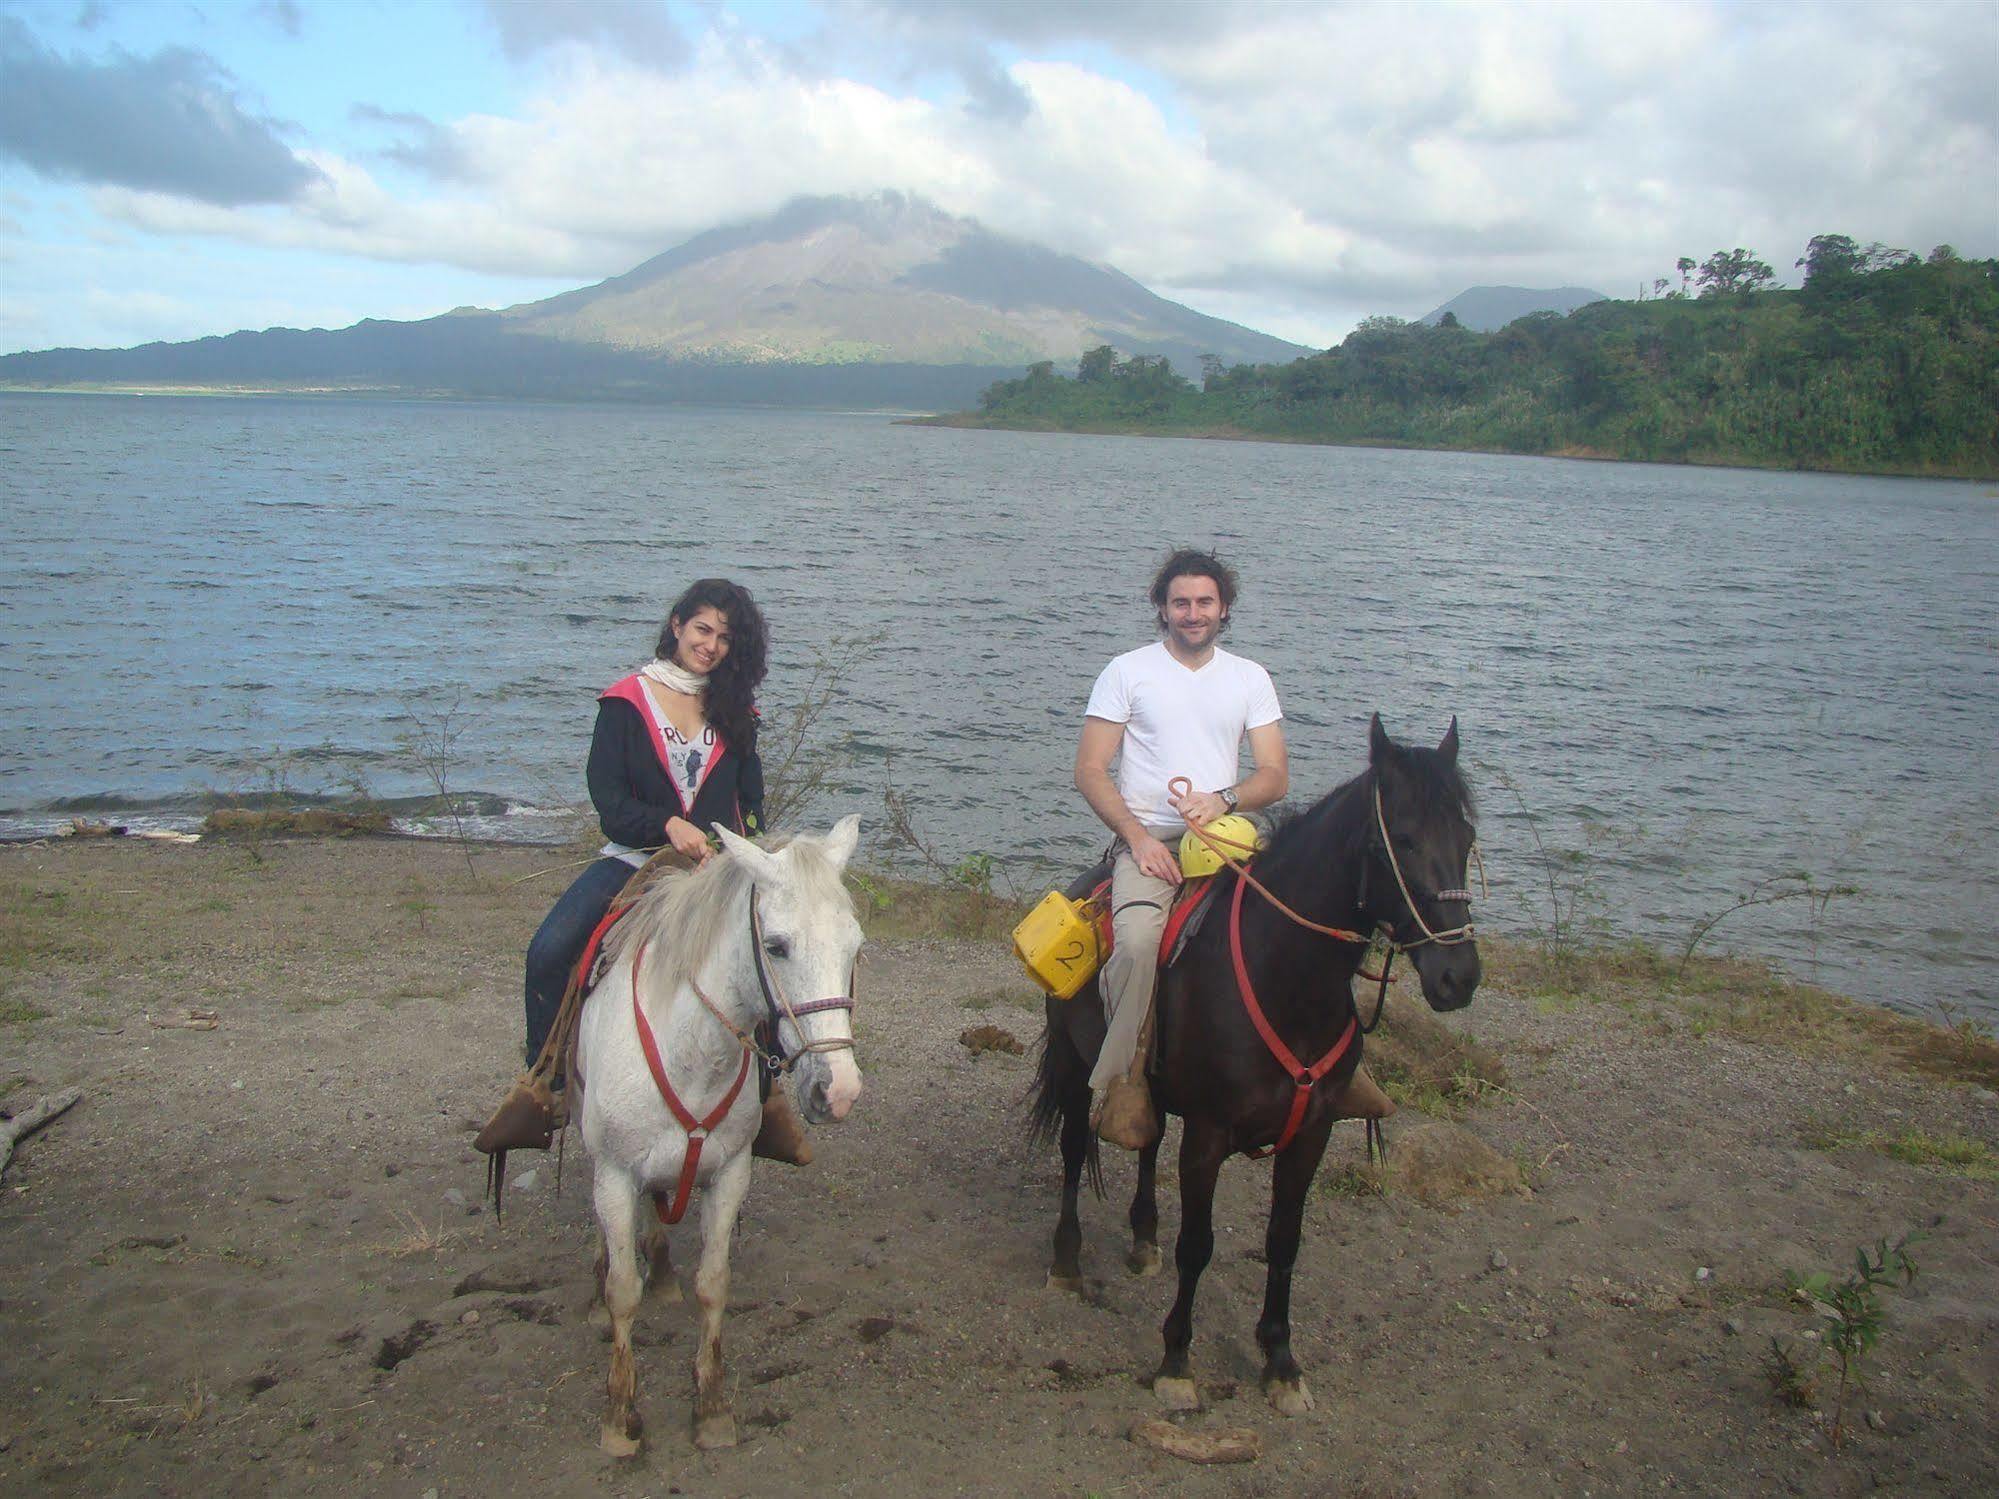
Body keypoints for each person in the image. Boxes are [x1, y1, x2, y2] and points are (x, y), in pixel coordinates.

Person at [522, 577, 808, 1163]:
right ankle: (544, 1084)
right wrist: (666, 826)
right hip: (637, 860)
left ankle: (766, 1096)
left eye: (725, 638)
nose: (711, 646)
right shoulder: (625, 702)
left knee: (773, 959)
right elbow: (609, 803)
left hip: (716, 873)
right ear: (676, 625)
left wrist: (743, 849)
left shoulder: (737, 711)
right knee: (548, 951)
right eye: (703, 629)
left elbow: (751, 802)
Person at [1073, 549, 1289, 1149]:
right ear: (1162, 610)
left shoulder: (1250, 677)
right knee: (1139, 942)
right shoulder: (1126, 671)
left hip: (1223, 830)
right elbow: (1090, 769)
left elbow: (1274, 775)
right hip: (1152, 837)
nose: (1193, 614)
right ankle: (1122, 1083)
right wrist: (1138, 839)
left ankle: (1335, 1069)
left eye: (1205, 603)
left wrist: (1224, 799)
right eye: (1181, 603)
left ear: (1224, 609)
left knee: (1308, 916)